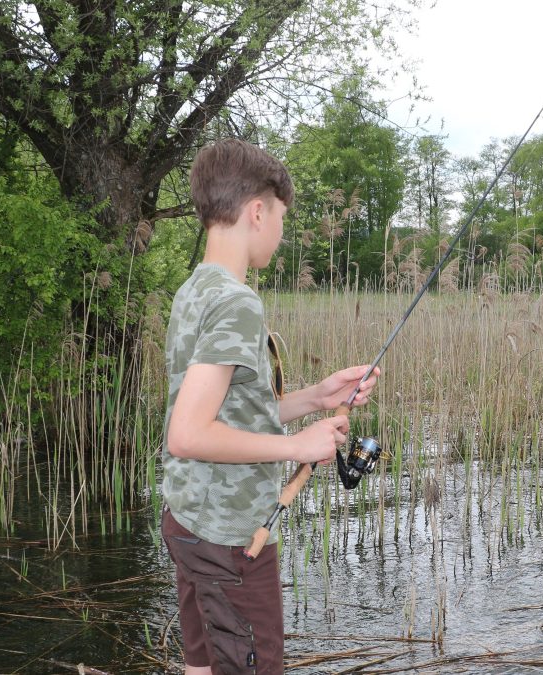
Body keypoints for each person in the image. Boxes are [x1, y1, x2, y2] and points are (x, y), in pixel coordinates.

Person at [160, 138, 379, 675]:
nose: (280, 232)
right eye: (281, 216)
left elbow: (226, 411)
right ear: (258, 211)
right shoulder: (238, 301)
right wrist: (298, 445)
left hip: (188, 519)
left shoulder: (195, 289)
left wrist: (316, 398)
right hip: (232, 538)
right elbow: (187, 433)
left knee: (202, 663)